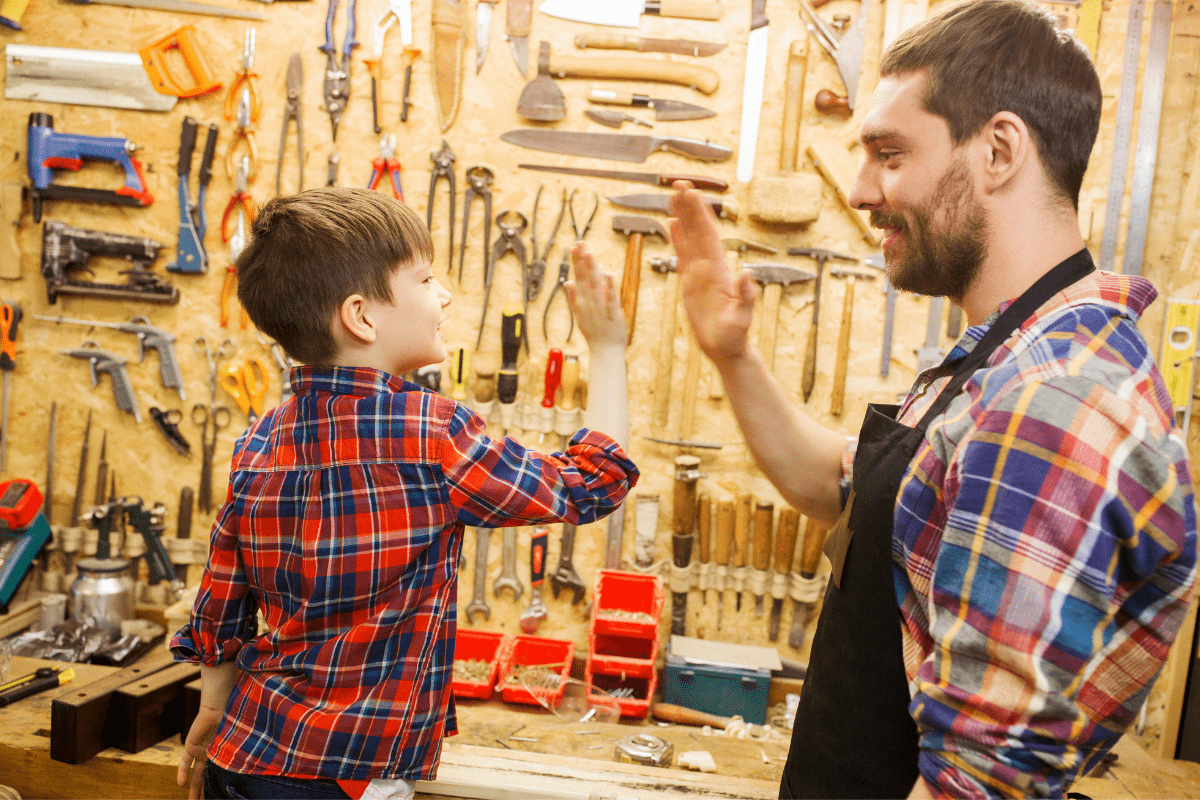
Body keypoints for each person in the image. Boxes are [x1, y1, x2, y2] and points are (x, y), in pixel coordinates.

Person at [668, 1, 1198, 797]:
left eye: (888, 154)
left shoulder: (1052, 404)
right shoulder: (1000, 359)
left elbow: (975, 785)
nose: (860, 189)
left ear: (997, 150)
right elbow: (843, 491)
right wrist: (733, 354)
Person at [170, 187, 638, 800]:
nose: (443, 296)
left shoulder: (258, 439)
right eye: (426, 279)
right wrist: (606, 350)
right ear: (361, 316)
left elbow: (222, 602)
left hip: (245, 751)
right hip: (346, 778)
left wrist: (211, 710)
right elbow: (593, 481)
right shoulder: (433, 434)